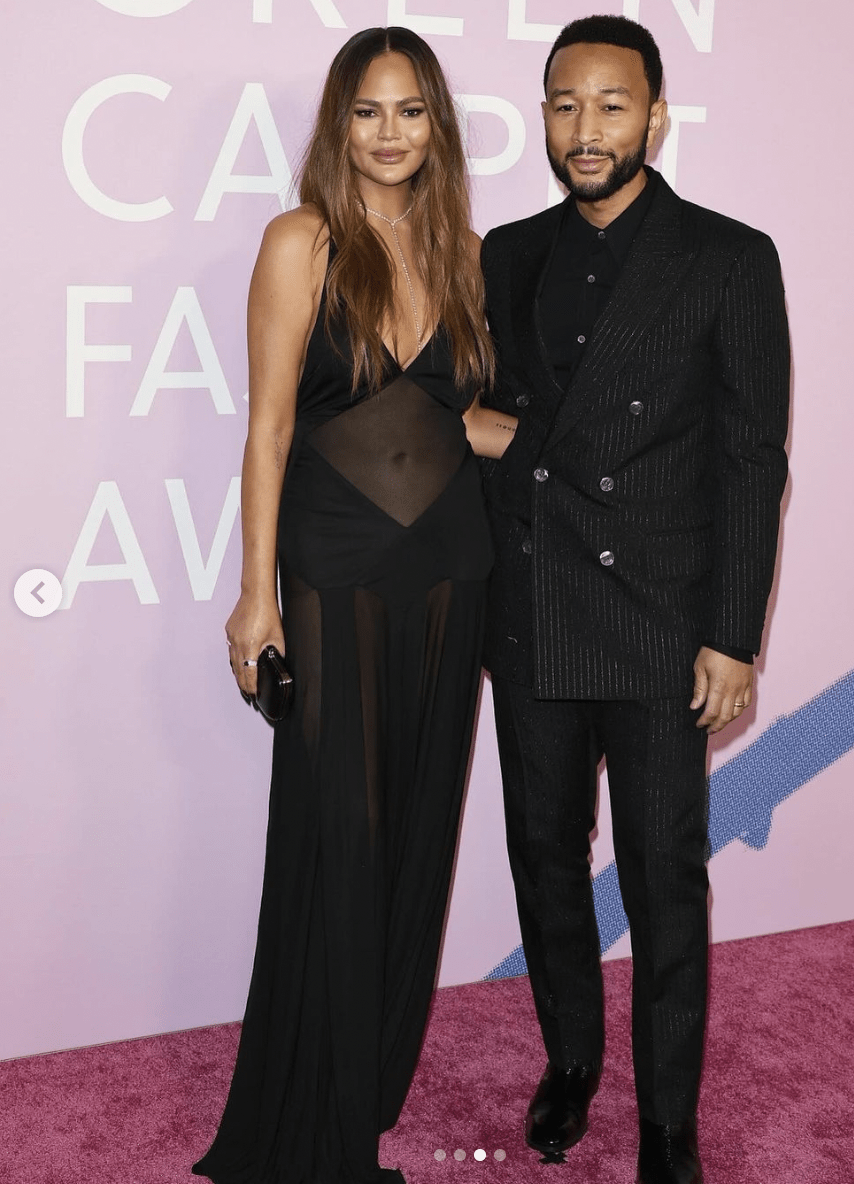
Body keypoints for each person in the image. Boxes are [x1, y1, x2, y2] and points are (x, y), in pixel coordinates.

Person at [193, 27, 514, 1184]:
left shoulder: (467, 251)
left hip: (451, 572)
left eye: (412, 112)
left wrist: (580, 450)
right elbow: (271, 426)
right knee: (339, 833)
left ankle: (365, 1088)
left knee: (419, 829)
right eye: (369, 112)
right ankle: (312, 1129)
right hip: (334, 571)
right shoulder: (302, 242)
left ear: (438, 125)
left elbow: (457, 421)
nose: (390, 135)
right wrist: (254, 595)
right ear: (340, 124)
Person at [479, 15, 790, 1184]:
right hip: (539, 606)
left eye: (612, 105)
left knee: (666, 875)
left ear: (656, 117)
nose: (586, 128)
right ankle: (570, 1061)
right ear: (544, 114)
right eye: (565, 104)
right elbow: (484, 424)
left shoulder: (727, 255)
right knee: (545, 856)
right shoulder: (504, 253)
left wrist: (732, 633)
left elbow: (753, 458)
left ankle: (669, 1121)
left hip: (665, 623)